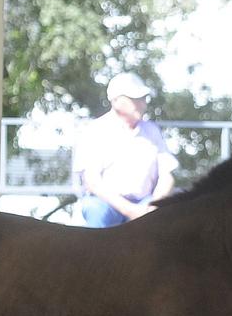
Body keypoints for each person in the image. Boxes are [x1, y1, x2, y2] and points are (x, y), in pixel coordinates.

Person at [75, 72, 175, 227]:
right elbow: (92, 181)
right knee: (94, 209)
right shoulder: (95, 130)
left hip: (145, 202)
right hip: (106, 204)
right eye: (135, 99)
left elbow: (167, 176)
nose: (142, 104)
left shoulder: (152, 131)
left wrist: (154, 205)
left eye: (143, 99)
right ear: (115, 101)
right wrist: (130, 210)